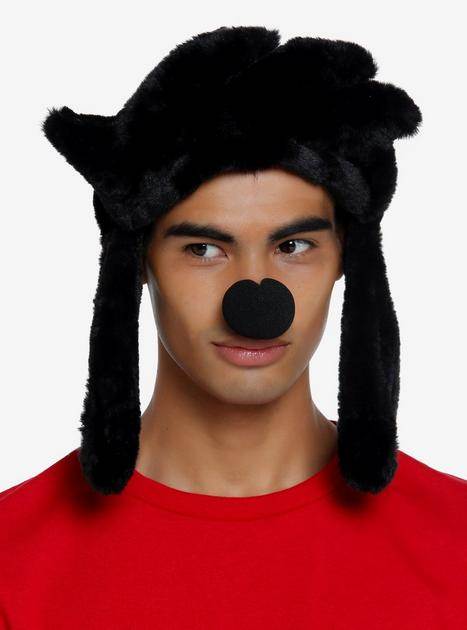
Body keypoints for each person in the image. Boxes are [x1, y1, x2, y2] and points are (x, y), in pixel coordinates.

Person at [1, 25, 466, 629]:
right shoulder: (12, 564)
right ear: (139, 262)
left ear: (344, 259)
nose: (255, 303)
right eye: (203, 249)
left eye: (293, 245)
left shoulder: (456, 549)